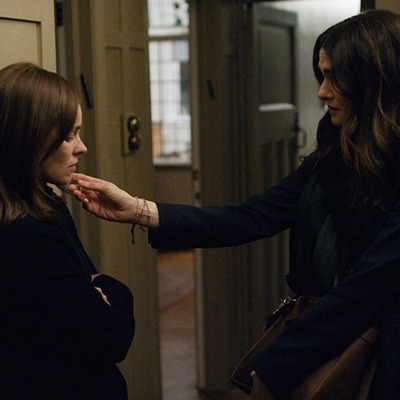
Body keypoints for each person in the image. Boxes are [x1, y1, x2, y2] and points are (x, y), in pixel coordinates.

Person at [69, 9, 400, 400]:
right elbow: (250, 217)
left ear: (371, 81)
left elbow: (363, 291)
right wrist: (138, 209)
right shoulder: (333, 157)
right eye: (322, 75)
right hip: (322, 343)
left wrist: (277, 365)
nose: (322, 92)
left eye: (333, 77)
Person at [0, 62, 135, 400]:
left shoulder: (47, 203)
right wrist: (113, 288)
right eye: (68, 135)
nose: (82, 147)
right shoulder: (28, 235)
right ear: (27, 138)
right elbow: (111, 337)